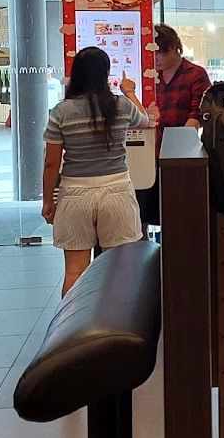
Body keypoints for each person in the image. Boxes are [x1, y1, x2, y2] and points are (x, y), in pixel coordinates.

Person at [43, 46, 150, 297]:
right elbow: (145, 120)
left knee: (74, 272)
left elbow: (51, 163)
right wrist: (130, 91)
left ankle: (70, 332)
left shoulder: (62, 111)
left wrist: (49, 200)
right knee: (119, 269)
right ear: (106, 74)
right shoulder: (120, 106)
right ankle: (118, 329)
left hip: (75, 194)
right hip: (117, 192)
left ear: (75, 74)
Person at [138, 24, 212, 227]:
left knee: (175, 215)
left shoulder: (195, 74)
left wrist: (180, 143)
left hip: (179, 156)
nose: (156, 60)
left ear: (174, 48)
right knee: (141, 214)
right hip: (149, 153)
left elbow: (198, 112)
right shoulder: (151, 77)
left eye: (160, 54)